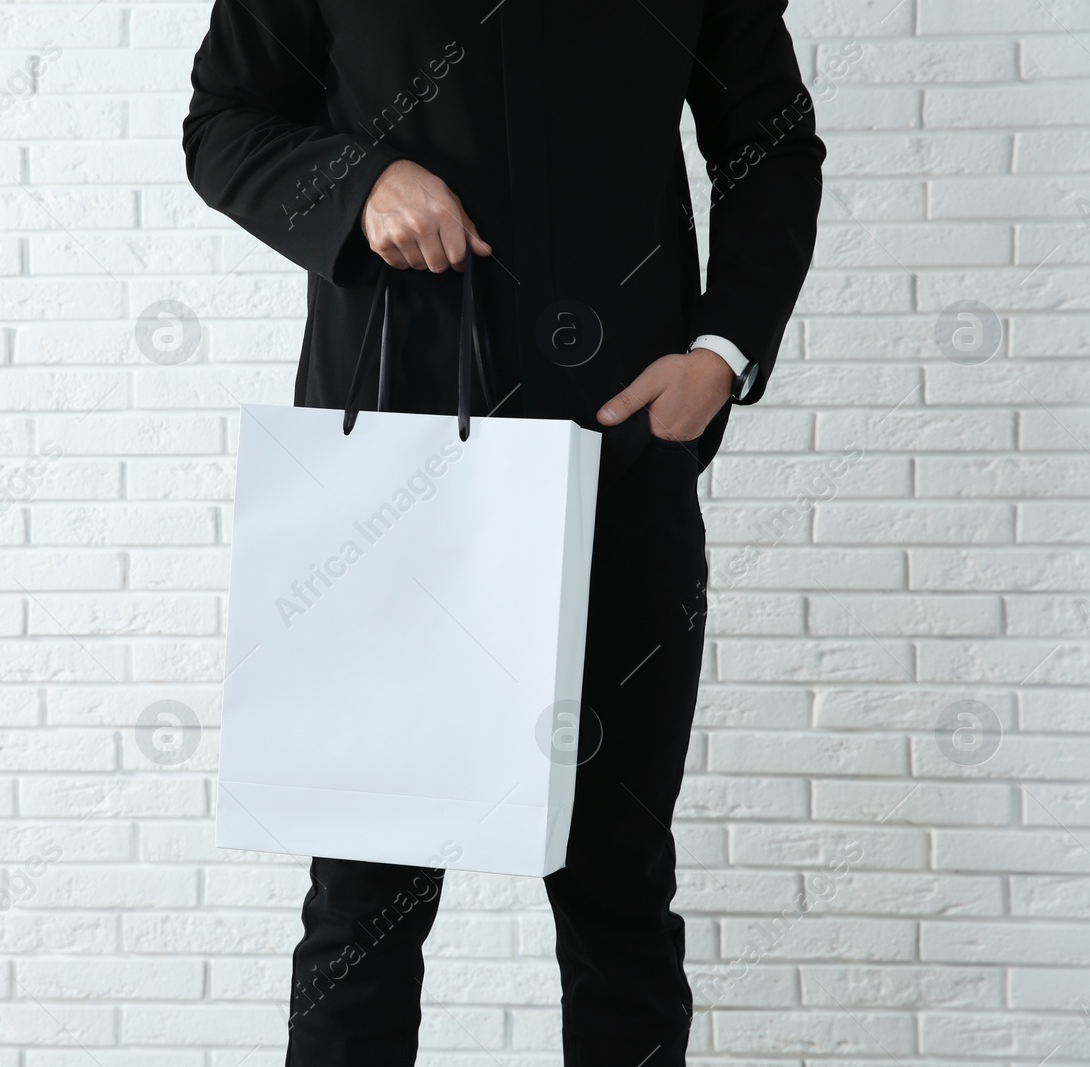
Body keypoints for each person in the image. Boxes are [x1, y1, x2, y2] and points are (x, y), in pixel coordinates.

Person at [183, 2, 824, 1063]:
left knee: (618, 883)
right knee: (362, 899)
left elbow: (767, 137)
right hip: (392, 473)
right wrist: (358, 183)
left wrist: (721, 351)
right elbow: (223, 123)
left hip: (620, 456)